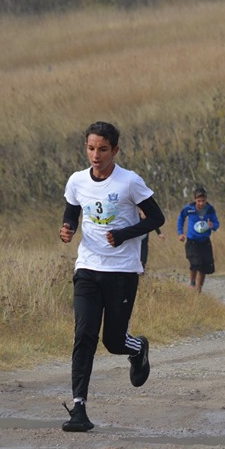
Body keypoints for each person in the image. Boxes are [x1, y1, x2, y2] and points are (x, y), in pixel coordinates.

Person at [58, 121, 166, 432]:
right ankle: (79, 409)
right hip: (88, 269)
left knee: (114, 341)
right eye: (91, 148)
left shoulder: (129, 182)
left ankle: (137, 348)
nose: (96, 155)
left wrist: (123, 234)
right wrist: (68, 229)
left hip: (122, 272)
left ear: (115, 150)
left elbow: (157, 218)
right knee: (84, 336)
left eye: (103, 149)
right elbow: (72, 212)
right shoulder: (77, 181)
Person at [176, 186, 219, 293]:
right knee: (195, 263)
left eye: (203, 201)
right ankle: (192, 282)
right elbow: (181, 218)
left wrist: (212, 225)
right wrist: (180, 233)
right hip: (192, 241)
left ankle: (199, 290)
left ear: (206, 199)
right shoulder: (189, 209)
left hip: (205, 241)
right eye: (199, 201)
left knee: (204, 266)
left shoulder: (210, 209)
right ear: (195, 200)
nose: (201, 203)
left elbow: (216, 224)